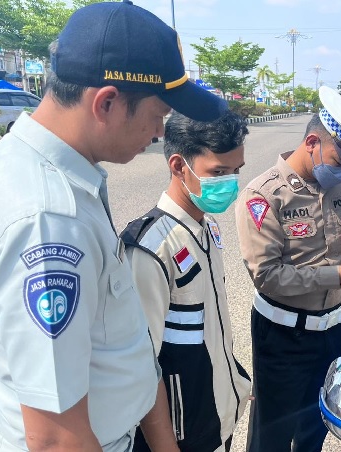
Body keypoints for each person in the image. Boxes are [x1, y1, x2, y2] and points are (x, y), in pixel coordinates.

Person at [0, 1, 227, 450]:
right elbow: (55, 438)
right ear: (107, 103)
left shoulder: (52, 173)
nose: (160, 133)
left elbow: (120, 346)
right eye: (159, 114)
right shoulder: (50, 219)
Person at [235, 85, 341, 452]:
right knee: (273, 435)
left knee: (316, 425)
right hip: (283, 334)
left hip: (332, 329)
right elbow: (267, 276)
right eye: (340, 160)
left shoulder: (334, 187)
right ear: (312, 141)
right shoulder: (264, 196)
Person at [121, 111, 252, 452]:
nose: (230, 183)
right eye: (218, 173)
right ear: (179, 166)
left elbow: (210, 324)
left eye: (236, 171)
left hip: (216, 418)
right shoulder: (151, 249)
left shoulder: (206, 228)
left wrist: (233, 379)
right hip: (181, 436)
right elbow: (140, 367)